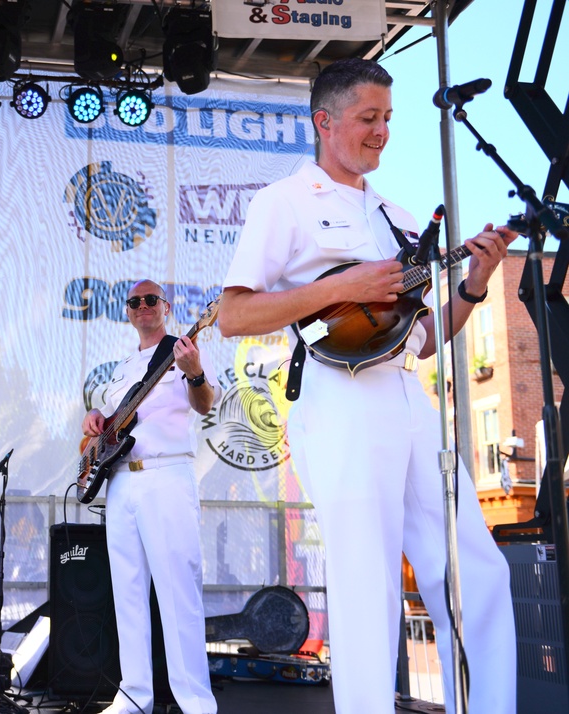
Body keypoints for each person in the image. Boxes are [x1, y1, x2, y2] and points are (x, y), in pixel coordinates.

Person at [217, 58, 517, 714]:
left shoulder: (399, 216)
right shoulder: (284, 201)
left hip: (409, 395)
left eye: (388, 119)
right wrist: (341, 287)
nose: (382, 132)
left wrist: (473, 285)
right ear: (326, 122)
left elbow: (423, 336)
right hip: (339, 400)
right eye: (368, 118)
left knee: (475, 570)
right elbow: (234, 315)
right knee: (368, 580)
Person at [81, 279, 219, 714]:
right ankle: (133, 695)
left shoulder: (184, 351)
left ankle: (195, 701)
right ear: (128, 311)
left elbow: (204, 403)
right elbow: (115, 425)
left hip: (166, 476)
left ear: (166, 307)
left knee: (179, 593)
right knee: (128, 593)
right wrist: (97, 418)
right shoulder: (123, 367)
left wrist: (194, 371)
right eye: (135, 301)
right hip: (122, 481)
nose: (143, 306)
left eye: (151, 300)